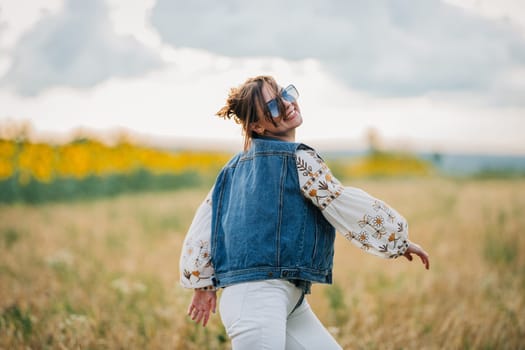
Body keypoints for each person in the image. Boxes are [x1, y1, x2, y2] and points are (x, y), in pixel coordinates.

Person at [179, 75, 430, 349]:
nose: (287, 105)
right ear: (257, 126)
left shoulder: (231, 168)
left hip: (285, 299)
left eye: (286, 94)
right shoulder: (298, 159)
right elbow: (340, 202)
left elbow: (205, 222)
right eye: (273, 106)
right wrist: (397, 240)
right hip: (257, 302)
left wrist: (202, 283)